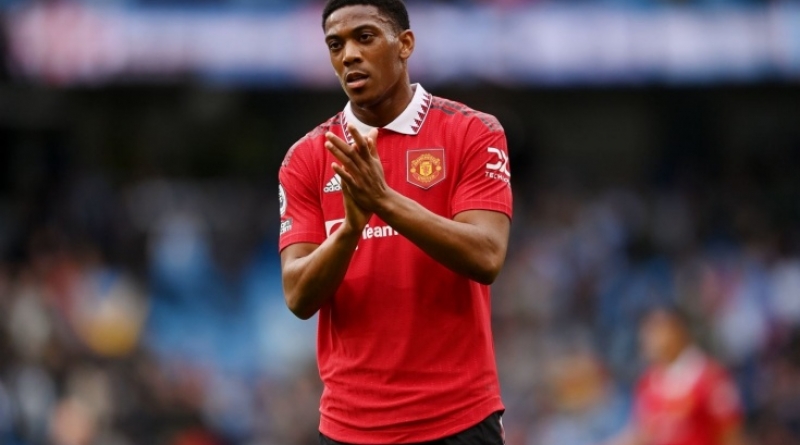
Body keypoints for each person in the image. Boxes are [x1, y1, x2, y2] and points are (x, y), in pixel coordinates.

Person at [277, 1, 512, 444]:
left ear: (404, 44)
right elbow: (298, 296)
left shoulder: (471, 132)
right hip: (350, 427)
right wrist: (350, 230)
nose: (349, 54)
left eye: (364, 37)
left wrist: (384, 201)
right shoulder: (306, 157)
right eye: (335, 45)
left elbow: (487, 256)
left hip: (458, 420)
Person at [604, 307, 747, 445]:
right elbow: (644, 433)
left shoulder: (711, 377)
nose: (648, 339)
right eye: (646, 333)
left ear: (679, 331)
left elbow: (731, 434)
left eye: (656, 331)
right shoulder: (647, 383)